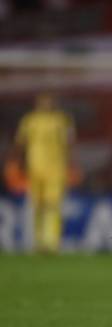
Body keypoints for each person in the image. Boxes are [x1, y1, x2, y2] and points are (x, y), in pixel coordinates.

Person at [12, 92, 75, 253]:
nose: (46, 104)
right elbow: (21, 143)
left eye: (49, 101)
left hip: (56, 169)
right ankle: (38, 242)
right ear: (37, 103)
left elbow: (70, 143)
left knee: (53, 205)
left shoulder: (62, 120)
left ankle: (53, 243)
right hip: (35, 168)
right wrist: (17, 163)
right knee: (37, 205)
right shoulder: (29, 121)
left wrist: (72, 163)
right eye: (43, 101)